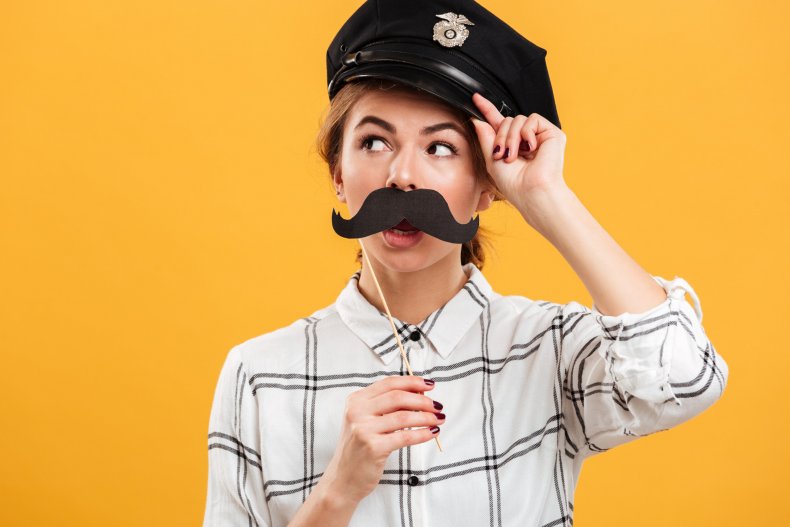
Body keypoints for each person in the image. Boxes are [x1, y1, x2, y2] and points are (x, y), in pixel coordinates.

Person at [202, 1, 729, 526]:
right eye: (375, 141)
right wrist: (337, 492)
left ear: (486, 188)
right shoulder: (259, 376)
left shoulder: (550, 350)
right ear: (337, 173)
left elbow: (685, 379)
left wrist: (546, 196)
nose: (403, 177)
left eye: (441, 148)